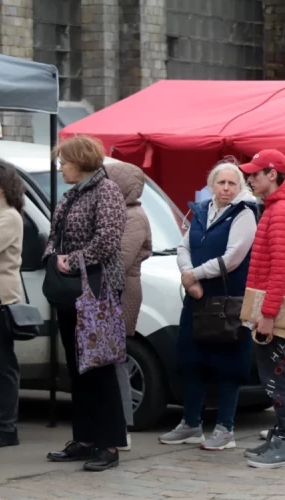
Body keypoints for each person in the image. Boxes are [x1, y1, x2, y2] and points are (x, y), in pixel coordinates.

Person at [160, 160, 257, 452]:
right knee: (191, 360)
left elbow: (233, 258)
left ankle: (225, 428)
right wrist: (188, 277)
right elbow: (183, 247)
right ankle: (191, 423)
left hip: (228, 300)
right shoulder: (201, 211)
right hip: (197, 297)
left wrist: (196, 275)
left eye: (232, 183)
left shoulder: (244, 213)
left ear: (240, 186)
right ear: (211, 185)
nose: (226, 188)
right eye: (221, 182)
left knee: (228, 365)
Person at [43, 136, 128, 472]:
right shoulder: (70, 195)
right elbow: (54, 235)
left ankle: (109, 444)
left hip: (98, 290)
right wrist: (53, 256)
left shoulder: (106, 191)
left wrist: (74, 259)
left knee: (99, 366)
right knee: (78, 367)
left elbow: (108, 238)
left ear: (80, 161)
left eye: (64, 162)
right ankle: (85, 439)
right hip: (70, 291)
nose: (60, 168)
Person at [239, 150, 285, 468]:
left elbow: (280, 269)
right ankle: (280, 436)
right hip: (272, 305)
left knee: (279, 377)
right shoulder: (277, 208)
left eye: (255, 174)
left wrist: (267, 314)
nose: (250, 179)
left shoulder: (279, 211)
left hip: (274, 310)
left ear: (272, 174)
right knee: (278, 374)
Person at [105, 162, 152, 452]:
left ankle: (121, 428)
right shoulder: (118, 212)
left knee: (116, 360)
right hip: (114, 291)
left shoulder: (134, 216)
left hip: (122, 293)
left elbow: (120, 260)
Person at [0, 159, 24, 451]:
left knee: (2, 367)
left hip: (0, 302)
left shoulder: (8, 217)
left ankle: (5, 427)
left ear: (2, 186)